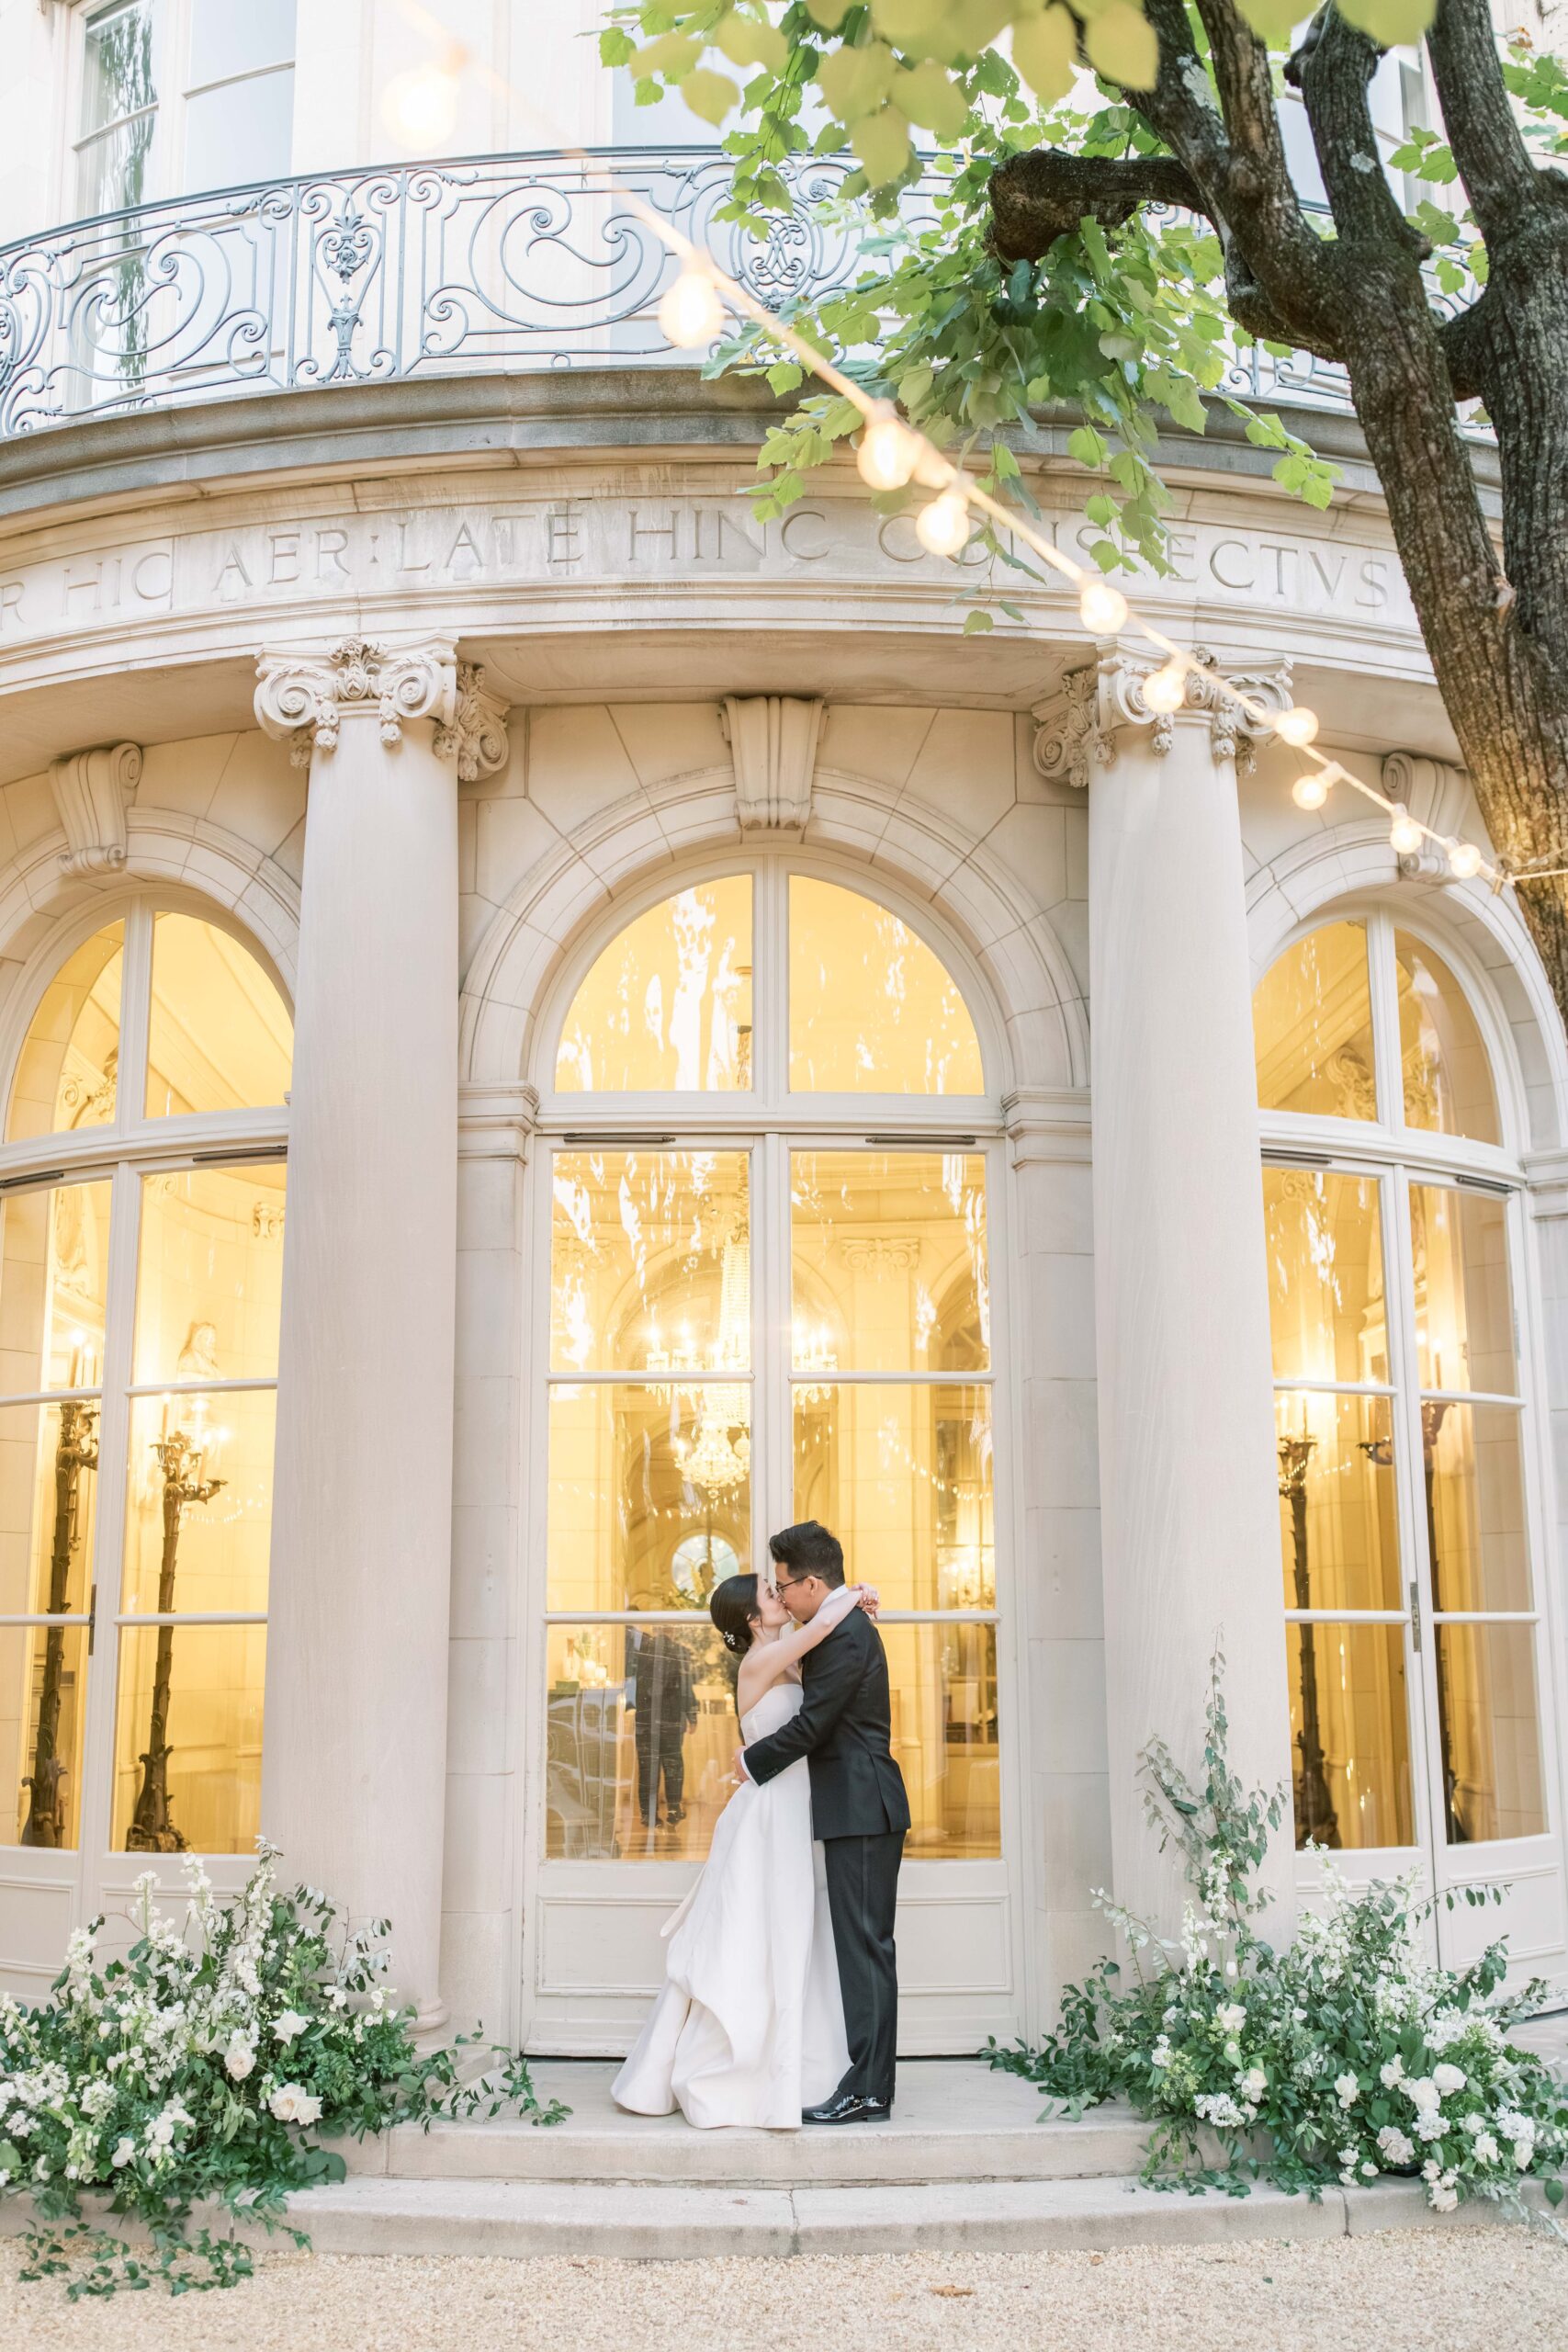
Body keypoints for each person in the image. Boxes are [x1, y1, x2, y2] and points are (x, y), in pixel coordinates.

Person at [612, 1563, 875, 2129]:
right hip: (768, 1817)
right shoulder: (760, 1661)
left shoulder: (791, 1658)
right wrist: (853, 1595)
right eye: (768, 1592)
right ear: (753, 1618)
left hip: (794, 1808)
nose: (780, 1594)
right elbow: (822, 1628)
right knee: (759, 1929)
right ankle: (737, 2069)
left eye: (779, 1586)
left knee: (793, 1928)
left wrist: (857, 1599)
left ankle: (801, 2063)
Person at [738, 1520, 911, 2124]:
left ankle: (868, 2089)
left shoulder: (843, 1636)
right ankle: (869, 2083)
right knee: (865, 1949)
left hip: (863, 1807)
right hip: (857, 1807)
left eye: (784, 1585)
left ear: (812, 1584)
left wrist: (748, 1764)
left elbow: (813, 1726)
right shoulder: (837, 1625)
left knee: (865, 1951)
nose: (780, 1596)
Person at [626, 1621, 697, 1827]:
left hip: (646, 1718)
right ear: (672, 1629)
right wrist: (692, 1715)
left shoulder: (641, 1650)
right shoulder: (679, 1651)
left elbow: (633, 1682)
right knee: (673, 1763)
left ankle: (648, 1814)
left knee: (648, 1766)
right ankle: (674, 1809)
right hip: (671, 1718)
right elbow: (686, 1688)